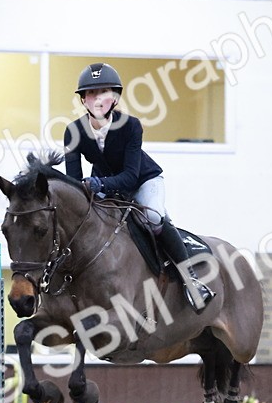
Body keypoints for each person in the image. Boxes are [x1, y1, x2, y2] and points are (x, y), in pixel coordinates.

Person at [63, 62, 215, 312]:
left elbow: (131, 177)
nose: (97, 99)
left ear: (114, 98)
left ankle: (192, 281)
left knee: (153, 217)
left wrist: (99, 183)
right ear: (83, 100)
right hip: (104, 185)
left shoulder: (131, 125)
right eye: (91, 93)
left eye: (104, 92)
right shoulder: (73, 131)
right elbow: (73, 181)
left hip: (143, 181)